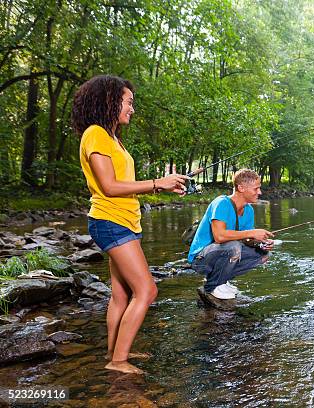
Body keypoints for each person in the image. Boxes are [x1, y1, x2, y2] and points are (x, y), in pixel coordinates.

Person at [72, 75, 189, 375]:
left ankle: (116, 351)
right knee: (147, 291)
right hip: (110, 222)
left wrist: (164, 186)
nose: (132, 109)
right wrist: (156, 184)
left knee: (121, 295)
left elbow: (122, 183)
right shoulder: (95, 134)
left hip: (123, 221)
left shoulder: (111, 139)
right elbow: (109, 186)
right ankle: (118, 362)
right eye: (128, 102)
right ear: (109, 101)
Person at [188, 169, 274, 302]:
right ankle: (212, 286)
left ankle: (221, 280)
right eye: (256, 189)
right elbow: (219, 236)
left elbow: (245, 239)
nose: (260, 192)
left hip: (221, 253)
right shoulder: (221, 203)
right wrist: (252, 232)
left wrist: (260, 242)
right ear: (241, 188)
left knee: (263, 254)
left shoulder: (249, 210)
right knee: (233, 247)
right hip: (200, 259)